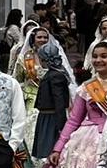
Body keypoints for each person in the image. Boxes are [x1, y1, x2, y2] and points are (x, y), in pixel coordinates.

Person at [25, 31, 75, 161]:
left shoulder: (55, 76)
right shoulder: (54, 74)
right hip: (47, 116)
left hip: (51, 119)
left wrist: (61, 126)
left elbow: (59, 101)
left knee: (48, 151)